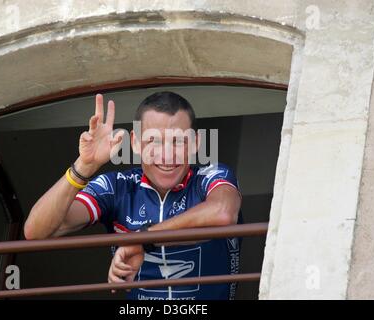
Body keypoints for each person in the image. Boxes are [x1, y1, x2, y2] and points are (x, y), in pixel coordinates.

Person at [24, 91, 243, 300]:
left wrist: (141, 241)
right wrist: (83, 167)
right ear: (136, 143)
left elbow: (223, 213)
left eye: (178, 141)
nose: (166, 156)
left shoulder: (211, 175)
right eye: (153, 141)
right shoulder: (117, 186)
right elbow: (36, 231)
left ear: (196, 143)